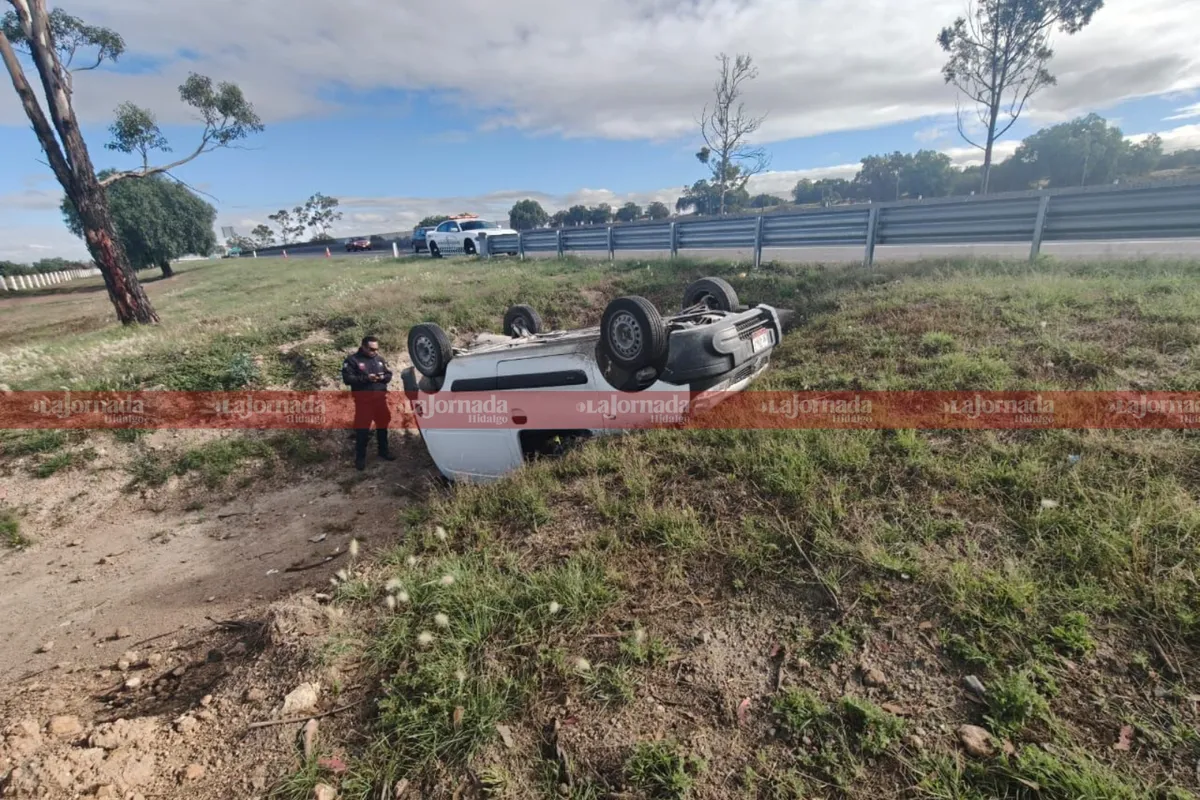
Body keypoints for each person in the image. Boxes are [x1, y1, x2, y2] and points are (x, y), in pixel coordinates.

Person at [341, 335, 396, 470]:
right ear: (364, 347)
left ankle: (383, 451)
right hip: (363, 402)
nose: (375, 352)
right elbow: (348, 379)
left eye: (376, 349)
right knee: (362, 431)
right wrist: (366, 378)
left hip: (380, 400)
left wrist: (382, 377)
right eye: (371, 349)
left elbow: (389, 374)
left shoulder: (379, 359)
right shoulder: (353, 360)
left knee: (382, 427)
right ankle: (360, 459)